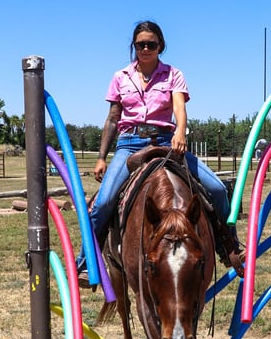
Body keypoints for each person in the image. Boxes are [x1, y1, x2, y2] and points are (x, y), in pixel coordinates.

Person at [75, 20, 243, 285]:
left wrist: (180, 133)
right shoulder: (121, 77)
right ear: (134, 46)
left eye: (151, 44)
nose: (145, 49)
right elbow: (112, 119)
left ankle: (227, 245)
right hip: (129, 143)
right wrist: (100, 157)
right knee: (104, 201)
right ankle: (85, 263)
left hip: (165, 141)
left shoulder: (173, 74)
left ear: (160, 46)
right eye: (140, 44)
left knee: (218, 188)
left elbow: (179, 108)